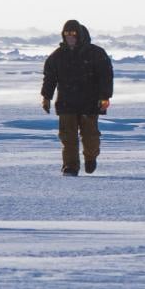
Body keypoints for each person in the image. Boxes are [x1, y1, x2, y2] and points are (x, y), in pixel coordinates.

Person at [41, 19, 113, 176]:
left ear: (79, 35)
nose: (70, 36)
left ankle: (90, 158)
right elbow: (50, 77)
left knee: (90, 137)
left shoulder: (96, 53)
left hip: (90, 103)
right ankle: (70, 166)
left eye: (73, 33)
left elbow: (105, 77)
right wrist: (46, 97)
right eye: (66, 33)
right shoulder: (57, 56)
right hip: (67, 102)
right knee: (68, 138)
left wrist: (104, 97)